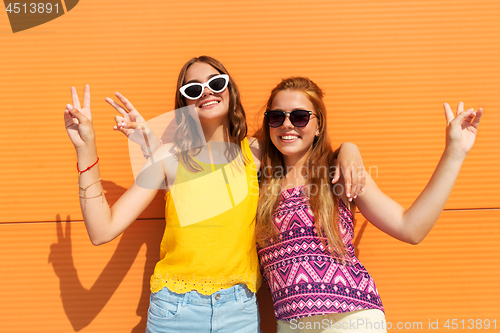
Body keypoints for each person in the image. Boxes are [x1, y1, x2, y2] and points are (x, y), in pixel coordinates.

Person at [63, 56, 365, 332]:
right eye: (194, 89)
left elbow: (308, 144)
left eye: (215, 83)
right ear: (185, 102)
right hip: (174, 310)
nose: (206, 92)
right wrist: (86, 148)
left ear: (229, 90)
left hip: (239, 311)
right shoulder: (168, 158)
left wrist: (348, 150)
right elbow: (102, 229)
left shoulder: (256, 153)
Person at [255, 77, 482, 333]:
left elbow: (410, 228)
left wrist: (454, 152)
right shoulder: (259, 181)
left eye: (300, 117)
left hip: (351, 319)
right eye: (276, 117)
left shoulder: (338, 172)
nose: (287, 124)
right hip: (290, 324)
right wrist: (349, 147)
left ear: (319, 125)